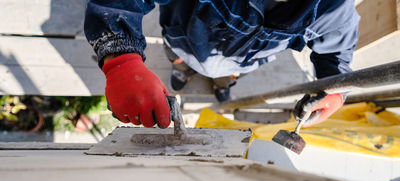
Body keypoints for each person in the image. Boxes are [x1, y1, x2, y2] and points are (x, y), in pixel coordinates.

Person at [84, 0, 359, 128]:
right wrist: (121, 58)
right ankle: (181, 68)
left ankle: (225, 79)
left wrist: (337, 87)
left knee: (227, 73)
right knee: (178, 59)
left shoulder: (332, 7)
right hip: (185, 42)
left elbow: (338, 45)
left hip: (243, 61)